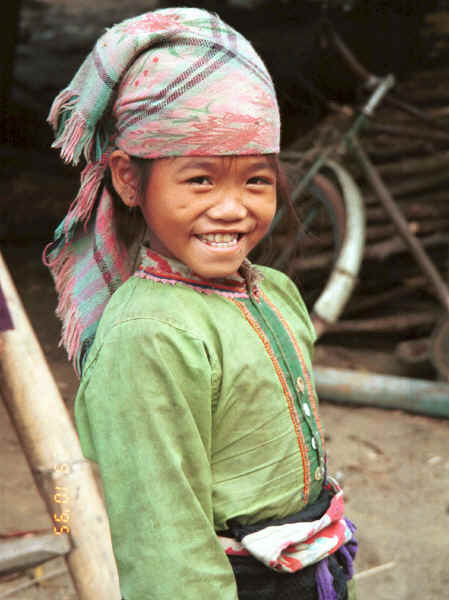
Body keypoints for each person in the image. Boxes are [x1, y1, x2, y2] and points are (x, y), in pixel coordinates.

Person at [44, 7, 357, 600]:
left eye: (256, 181)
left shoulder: (275, 292)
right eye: (200, 180)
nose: (232, 208)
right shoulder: (148, 335)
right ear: (128, 180)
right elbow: (163, 539)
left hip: (310, 568)